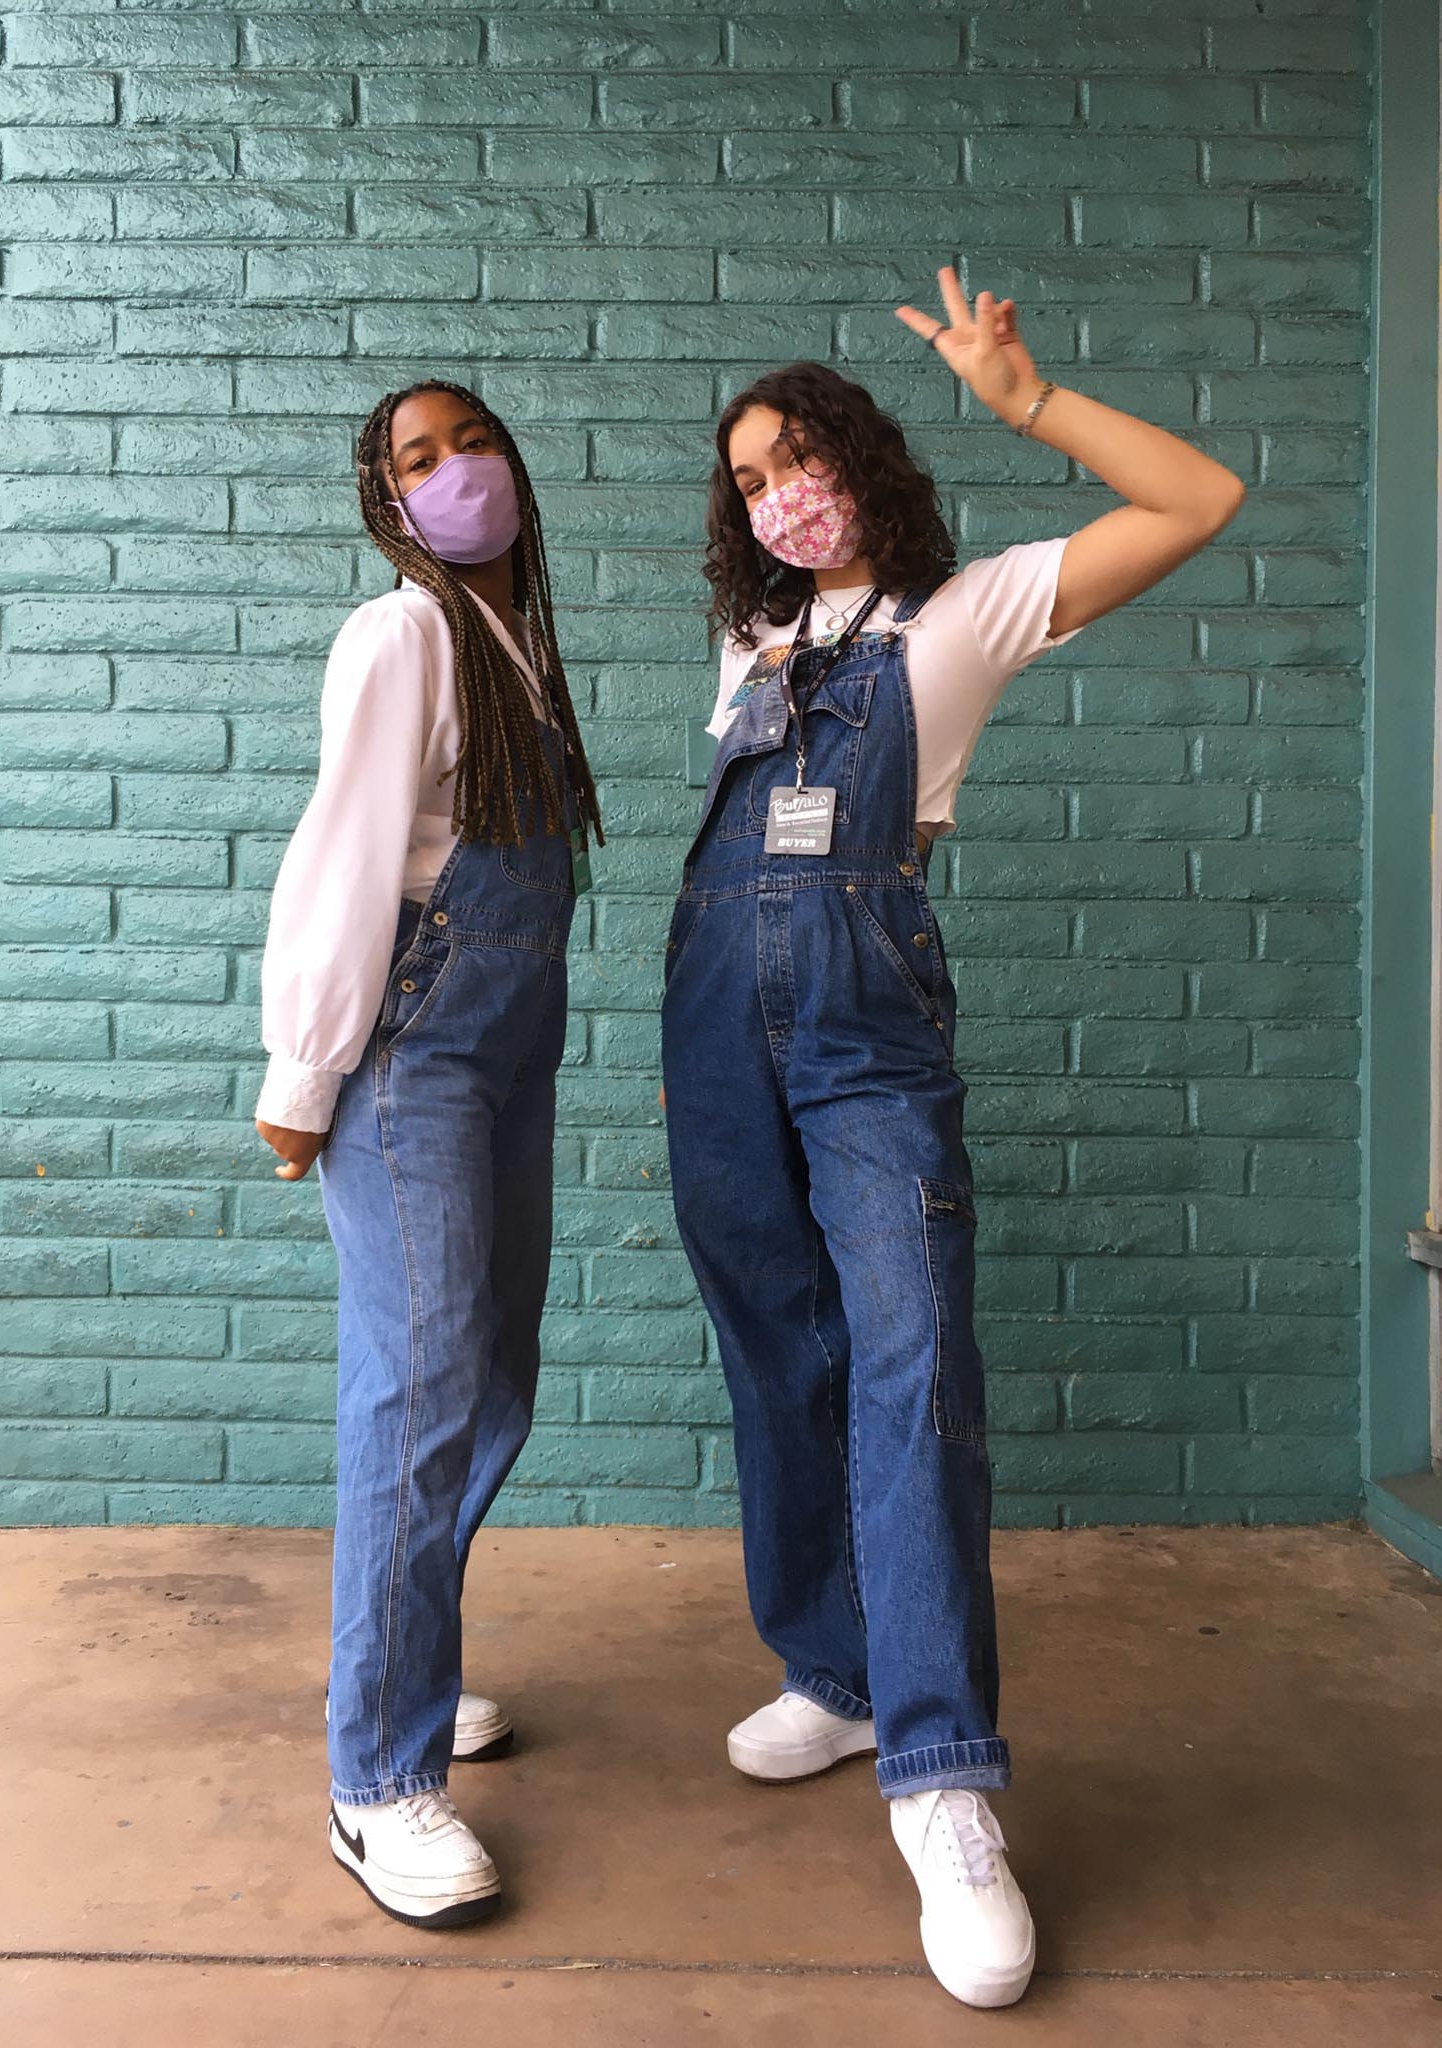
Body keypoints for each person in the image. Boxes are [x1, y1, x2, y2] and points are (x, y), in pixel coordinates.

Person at [660, 268, 1244, 2009]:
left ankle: (945, 1781)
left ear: (867, 460)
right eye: (753, 475)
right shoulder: (755, 641)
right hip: (709, 1022)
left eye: (806, 457)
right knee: (782, 1355)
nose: (781, 493)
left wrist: (1030, 400)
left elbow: (1197, 502)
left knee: (910, 1368)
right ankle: (836, 1675)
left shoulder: (972, 612)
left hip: (862, 1033)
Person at [253, 379, 601, 1929]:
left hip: (504, 1044)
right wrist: (305, 1068)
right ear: (385, 499)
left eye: (473, 441)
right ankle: (376, 1779)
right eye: (418, 457)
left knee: (490, 1375)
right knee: (423, 1385)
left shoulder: (514, 639)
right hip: (410, 1051)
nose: (457, 469)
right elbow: (343, 852)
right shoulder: (398, 635)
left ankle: (412, 1663)